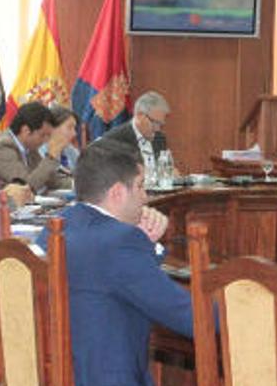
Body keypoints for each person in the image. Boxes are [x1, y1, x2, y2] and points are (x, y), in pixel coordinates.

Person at [40, 139, 192, 386]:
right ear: (118, 192)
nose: (146, 197)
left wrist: (147, 244)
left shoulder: (59, 224)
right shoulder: (120, 242)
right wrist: (251, 318)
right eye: (141, 186)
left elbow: (111, 276)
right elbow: (183, 314)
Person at [0, 101, 72, 194]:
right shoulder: (1, 148)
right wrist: (51, 157)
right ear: (26, 130)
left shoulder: (29, 148)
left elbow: (51, 181)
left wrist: (79, 185)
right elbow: (27, 186)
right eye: (43, 135)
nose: (46, 140)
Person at [99, 90, 170, 174]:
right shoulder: (115, 139)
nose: (157, 129)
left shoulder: (159, 138)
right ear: (140, 116)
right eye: (155, 123)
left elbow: (163, 169)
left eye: (161, 124)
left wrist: (169, 173)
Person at [43, 105, 81, 172]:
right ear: (52, 128)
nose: (74, 133)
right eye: (69, 127)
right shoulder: (39, 155)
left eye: (74, 128)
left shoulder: (69, 150)